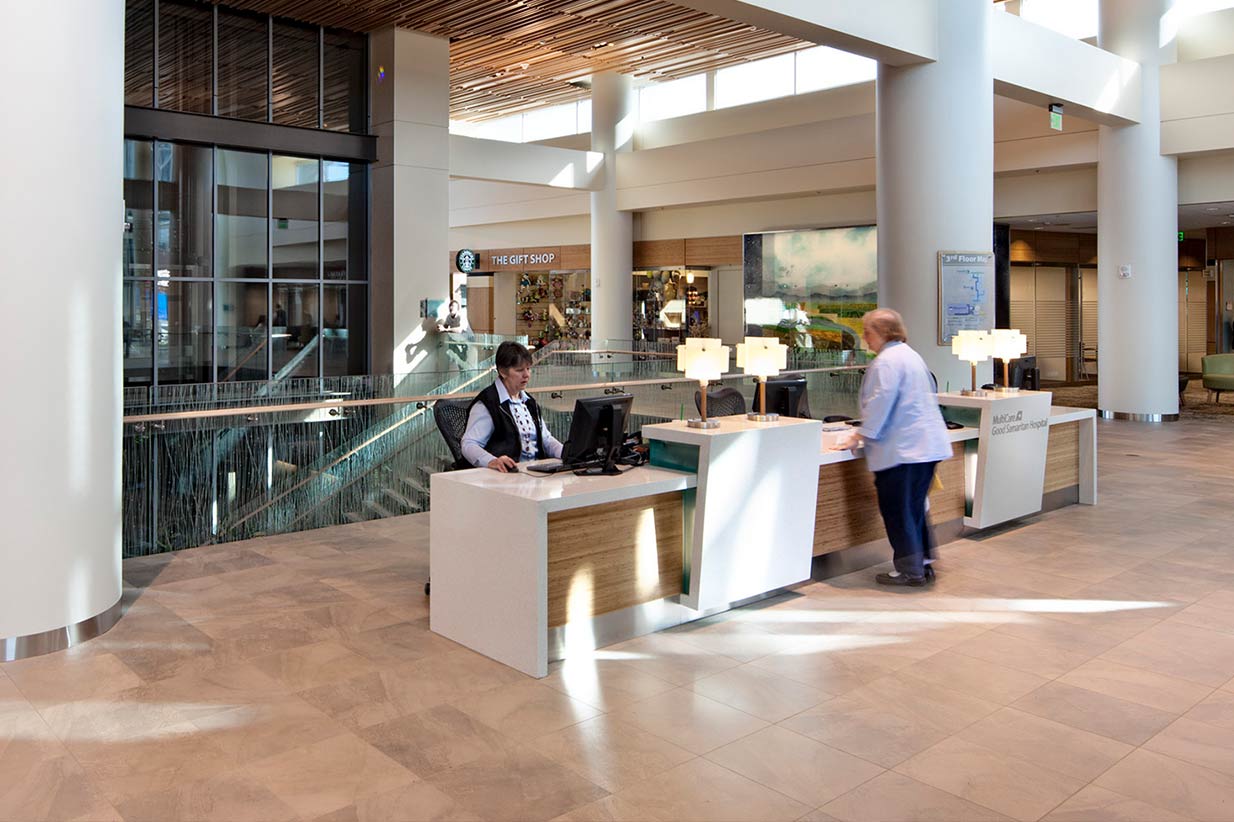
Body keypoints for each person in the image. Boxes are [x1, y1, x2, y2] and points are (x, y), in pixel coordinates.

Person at [835, 308, 952, 586]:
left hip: (904, 451)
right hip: (923, 447)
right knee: (914, 509)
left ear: (882, 332)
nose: (865, 338)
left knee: (899, 511)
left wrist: (859, 435)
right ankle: (923, 563)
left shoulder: (887, 361)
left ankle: (910, 571)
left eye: (868, 332)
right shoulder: (910, 355)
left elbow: (880, 402)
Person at [461, 341, 563, 472]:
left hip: (534, 475)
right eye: (519, 370)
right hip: (505, 477)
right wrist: (492, 461)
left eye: (528, 368)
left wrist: (569, 454)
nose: (526, 375)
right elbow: (469, 444)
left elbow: (546, 440)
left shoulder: (528, 402)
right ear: (503, 372)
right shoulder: (488, 403)